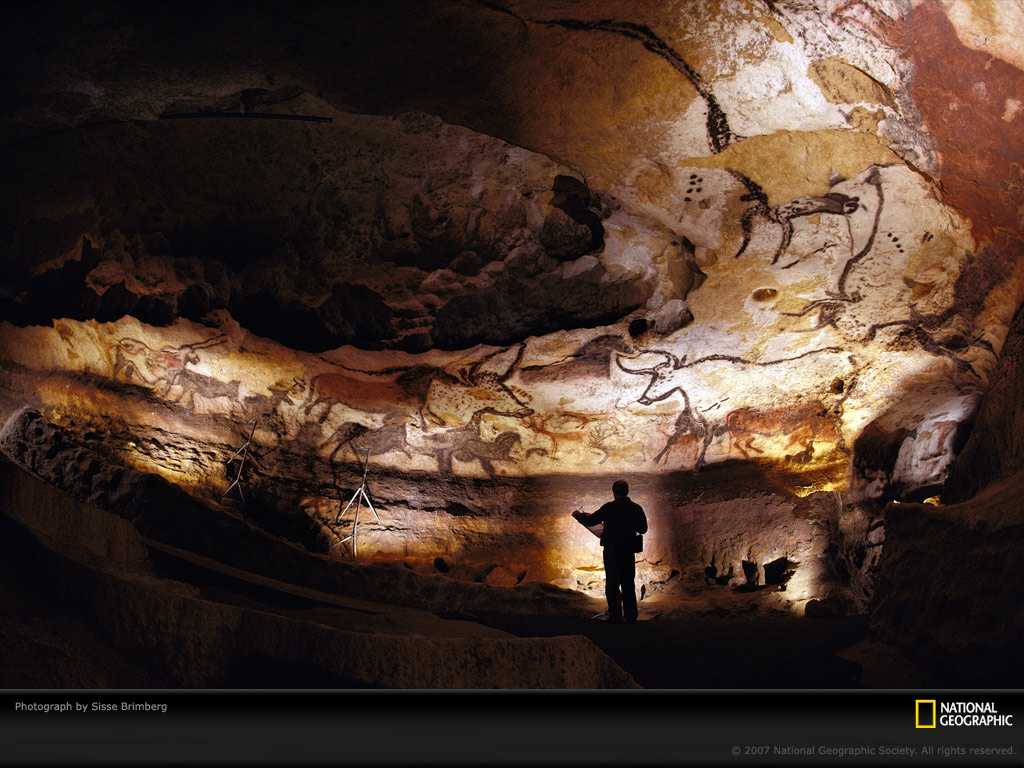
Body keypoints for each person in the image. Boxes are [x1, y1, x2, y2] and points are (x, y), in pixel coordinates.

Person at [572, 480, 648, 624]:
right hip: (628, 551)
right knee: (628, 583)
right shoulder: (636, 508)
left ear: (614, 492)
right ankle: (631, 616)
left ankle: (615, 615)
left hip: (612, 550)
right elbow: (643, 529)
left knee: (613, 583)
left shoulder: (609, 508)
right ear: (627, 491)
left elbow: (592, 520)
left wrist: (579, 515)